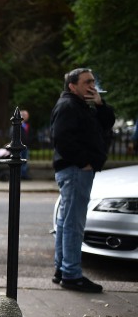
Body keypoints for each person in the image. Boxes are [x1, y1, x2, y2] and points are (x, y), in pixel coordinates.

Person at [50, 68, 115, 293]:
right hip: (76, 171)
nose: (92, 85)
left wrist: (99, 103)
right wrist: (84, 162)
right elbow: (61, 139)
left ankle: (62, 270)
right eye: (87, 82)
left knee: (66, 222)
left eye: (93, 81)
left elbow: (107, 123)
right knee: (73, 224)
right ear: (72, 86)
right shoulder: (68, 106)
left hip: (76, 170)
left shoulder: (81, 105)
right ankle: (71, 274)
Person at [10, 109, 33, 180]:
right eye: (26, 115)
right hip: (19, 146)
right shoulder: (18, 125)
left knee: (24, 160)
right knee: (20, 160)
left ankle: (23, 174)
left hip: (25, 146)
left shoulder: (26, 125)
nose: (28, 117)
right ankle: (20, 175)